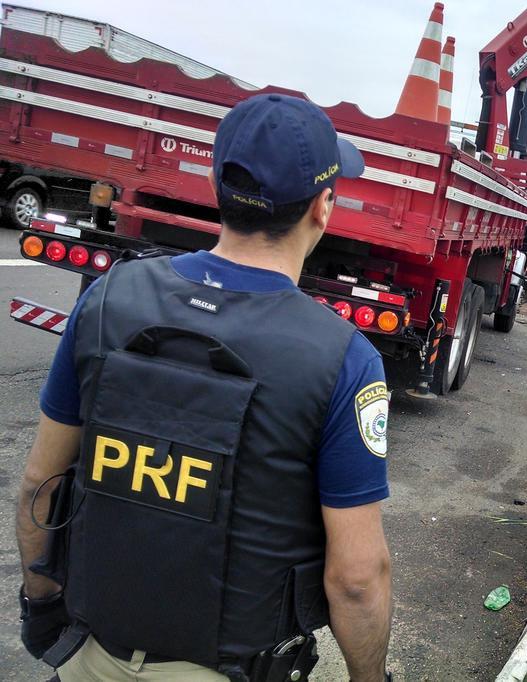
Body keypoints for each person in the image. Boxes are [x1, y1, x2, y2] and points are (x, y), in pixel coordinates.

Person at [15, 94, 393, 681]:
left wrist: (41, 606)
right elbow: (357, 577)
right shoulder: (344, 358)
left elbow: (41, 483)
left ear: (217, 188)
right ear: (323, 206)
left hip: (92, 654)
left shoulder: (108, 298)